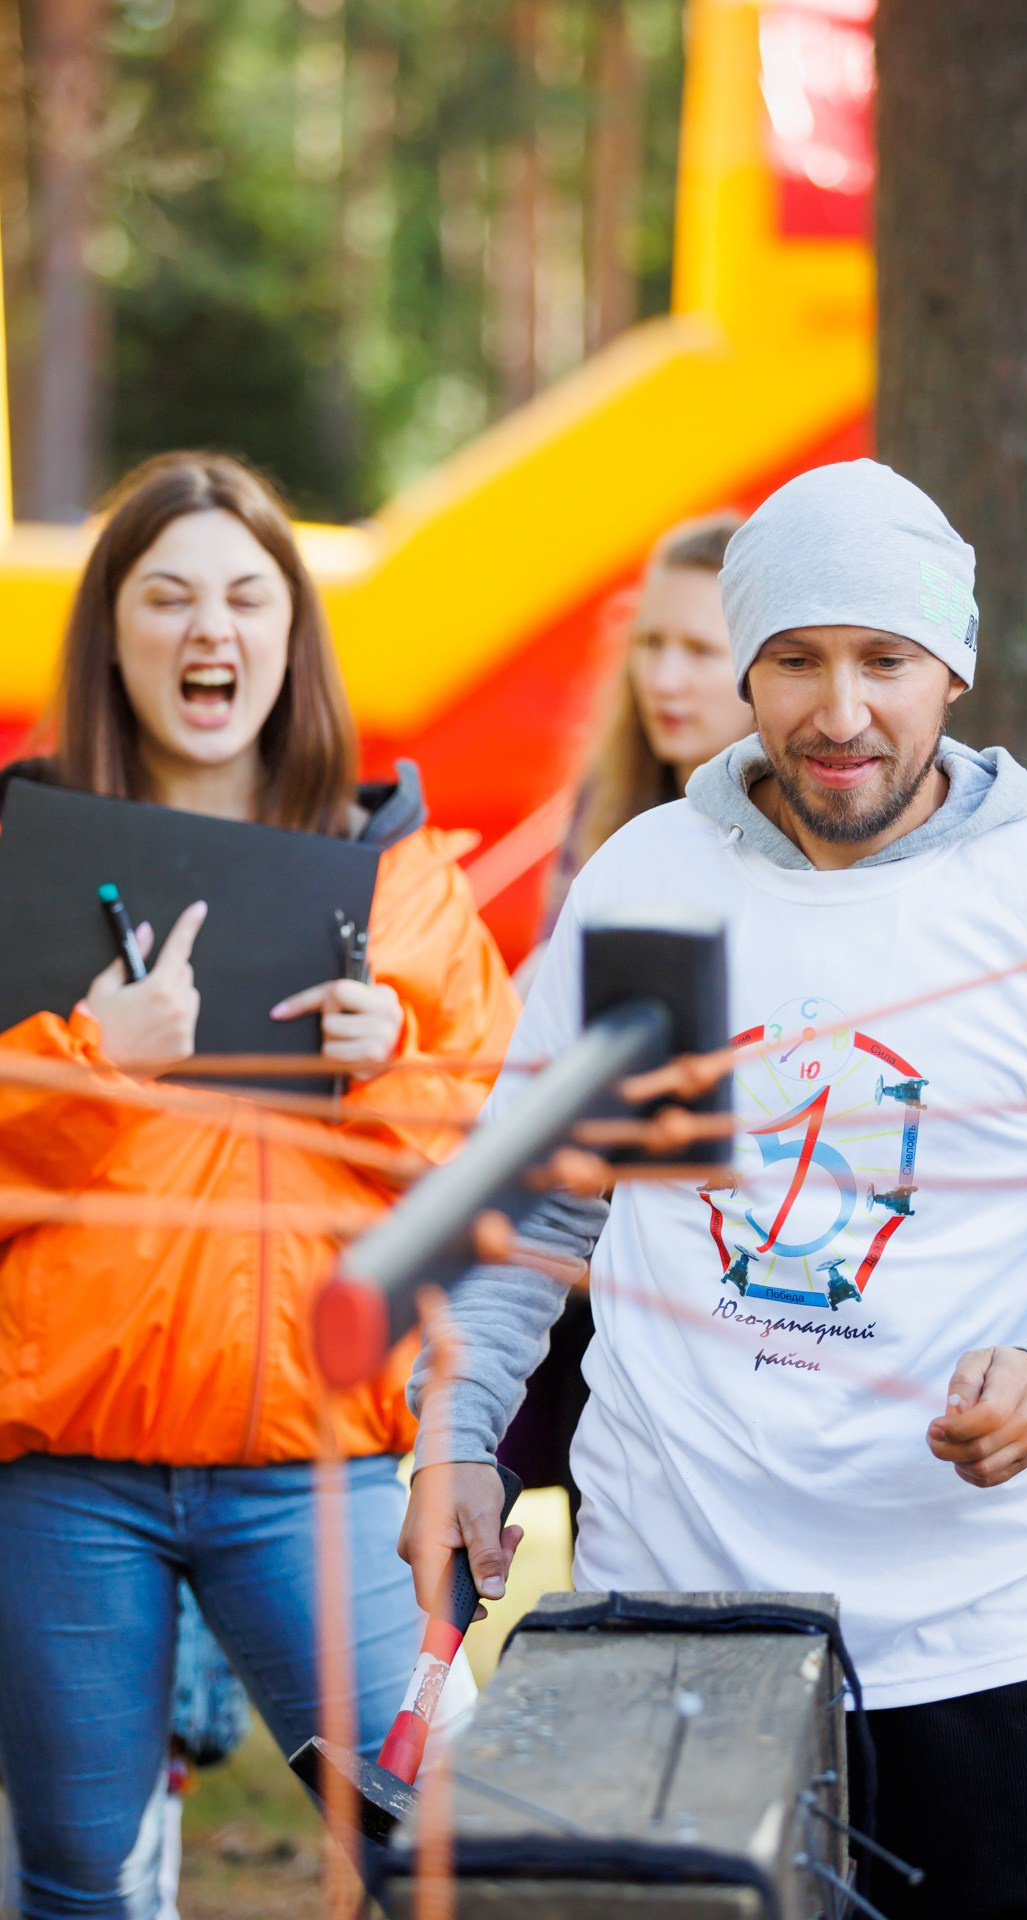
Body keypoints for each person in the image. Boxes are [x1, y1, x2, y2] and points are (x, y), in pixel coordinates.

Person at [401, 460, 1027, 1919]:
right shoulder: (650, 879)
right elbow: (541, 1209)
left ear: (957, 668)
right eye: (796, 660)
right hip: (657, 1618)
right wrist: (457, 1436)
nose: (842, 710)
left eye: (886, 659)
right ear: (746, 668)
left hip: (967, 1650)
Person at [0, 451, 520, 1920]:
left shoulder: (400, 879)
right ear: (110, 632)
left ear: (293, 633)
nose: (206, 630)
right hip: (64, 1479)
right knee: (76, 1883)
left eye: (245, 595)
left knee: (453, 1865)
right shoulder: (17, 862)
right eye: (165, 597)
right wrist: (94, 1060)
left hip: (322, 1470)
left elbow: (484, 1166)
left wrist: (392, 1064)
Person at [502, 511, 751, 1506]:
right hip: (582, 1223)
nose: (665, 677)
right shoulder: (610, 804)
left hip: (705, 1244)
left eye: (698, 650)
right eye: (650, 644)